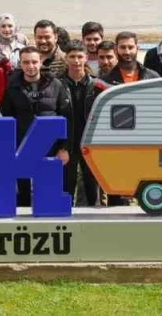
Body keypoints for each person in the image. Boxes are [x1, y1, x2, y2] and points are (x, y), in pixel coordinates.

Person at [1, 46, 72, 206]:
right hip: (22, 148)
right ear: (20, 64)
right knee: (23, 195)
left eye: (34, 62)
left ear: (40, 62)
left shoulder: (56, 85)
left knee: (49, 194)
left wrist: (64, 148)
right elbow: (6, 119)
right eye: (26, 62)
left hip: (51, 147)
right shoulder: (12, 88)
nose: (30, 66)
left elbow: (67, 118)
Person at [61, 42, 101, 206]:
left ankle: (94, 216)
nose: (76, 61)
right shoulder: (58, 85)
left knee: (93, 185)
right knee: (66, 185)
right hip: (67, 143)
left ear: (86, 58)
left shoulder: (96, 85)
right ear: (66, 58)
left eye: (80, 56)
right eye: (72, 57)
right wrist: (61, 146)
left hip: (90, 143)